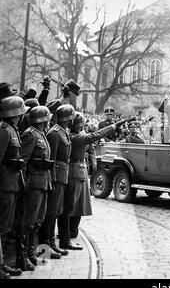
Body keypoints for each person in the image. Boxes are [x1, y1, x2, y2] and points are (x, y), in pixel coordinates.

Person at [57, 112, 129, 250]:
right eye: (81, 123)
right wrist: (114, 126)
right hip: (74, 171)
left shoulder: (74, 134)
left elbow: (91, 146)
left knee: (75, 206)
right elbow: (94, 136)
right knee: (69, 207)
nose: (83, 125)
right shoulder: (75, 136)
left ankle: (69, 234)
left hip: (78, 170)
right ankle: (65, 238)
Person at [38, 104, 76, 259]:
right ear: (68, 118)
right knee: (50, 213)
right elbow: (51, 159)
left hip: (62, 176)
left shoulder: (62, 132)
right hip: (55, 178)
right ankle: (45, 248)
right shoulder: (54, 133)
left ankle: (52, 243)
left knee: (56, 211)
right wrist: (52, 180)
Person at [20, 106, 53, 268]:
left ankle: (31, 253)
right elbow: (23, 162)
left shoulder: (42, 134)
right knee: (29, 221)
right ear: (43, 120)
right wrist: (25, 183)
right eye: (47, 119)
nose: (49, 122)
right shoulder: (31, 135)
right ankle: (24, 255)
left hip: (43, 182)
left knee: (38, 220)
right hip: (33, 184)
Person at [0, 96, 27, 278]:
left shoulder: (13, 130)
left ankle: (2, 263)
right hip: (4, 184)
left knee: (6, 225)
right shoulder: (4, 130)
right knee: (1, 225)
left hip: (12, 184)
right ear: (16, 113)